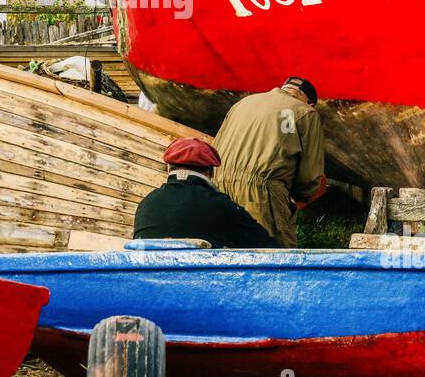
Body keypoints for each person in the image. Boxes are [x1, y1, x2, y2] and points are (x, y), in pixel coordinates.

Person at [213, 77, 327, 247]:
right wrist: (302, 196)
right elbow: (309, 177)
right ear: (310, 103)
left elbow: (214, 149)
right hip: (262, 193)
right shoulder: (305, 112)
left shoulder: (243, 103)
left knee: (227, 253)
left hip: (218, 187)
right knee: (275, 259)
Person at [132, 137, 282, 248]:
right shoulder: (221, 206)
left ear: (168, 168)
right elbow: (267, 247)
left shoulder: (147, 203)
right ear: (211, 172)